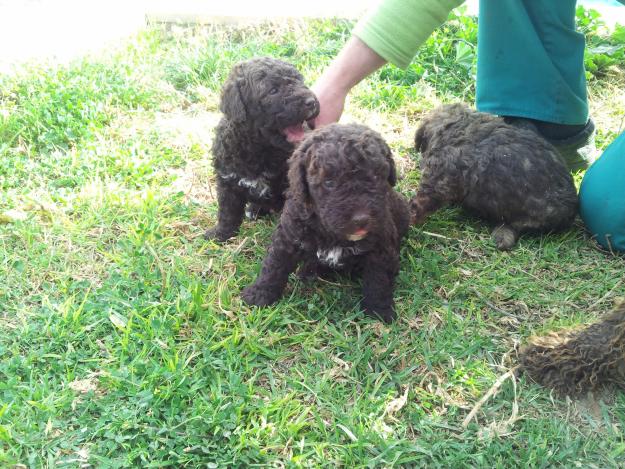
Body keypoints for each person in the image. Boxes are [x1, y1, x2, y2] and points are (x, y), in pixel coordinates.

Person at [311, 0, 625, 253]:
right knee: (605, 210)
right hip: (531, 166)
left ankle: (523, 209)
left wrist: (400, 216)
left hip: (538, 201)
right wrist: (334, 87)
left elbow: (429, 195)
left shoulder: (444, 159)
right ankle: (543, 120)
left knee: (612, 223)